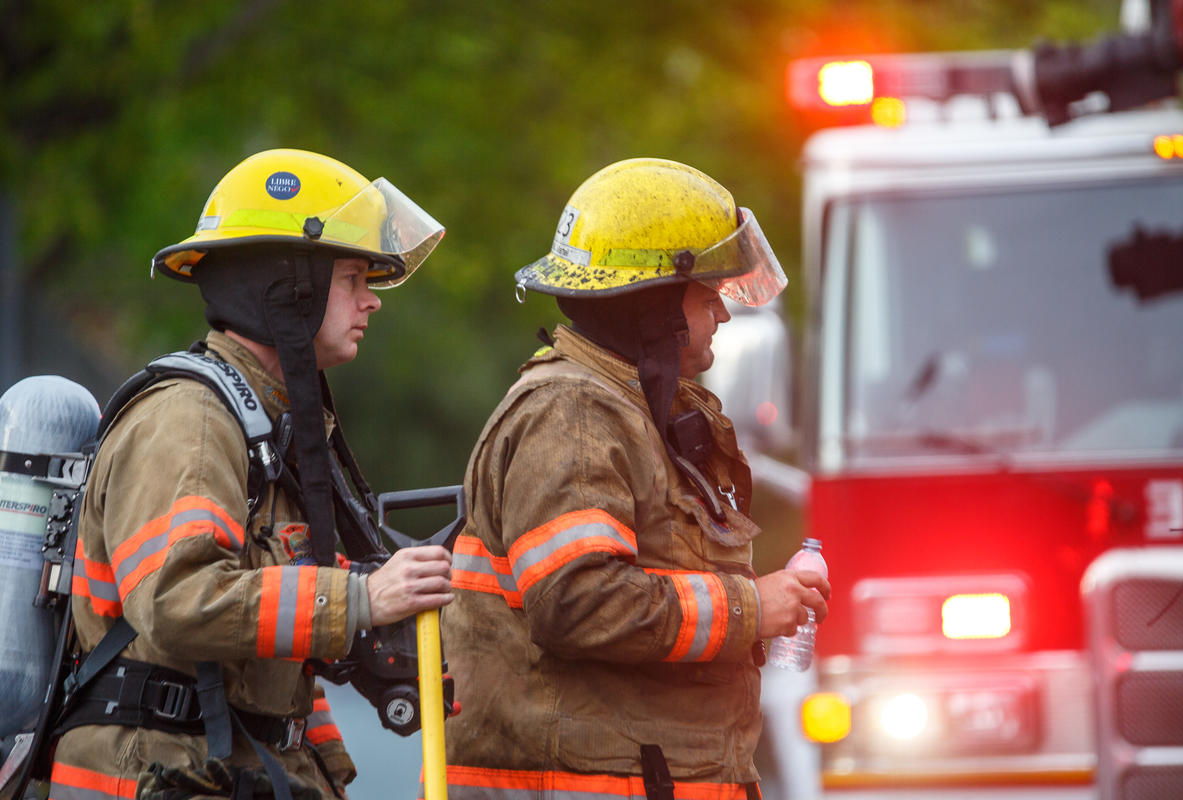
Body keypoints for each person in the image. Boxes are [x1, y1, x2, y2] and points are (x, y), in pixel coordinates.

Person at [47, 148, 454, 800]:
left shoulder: (266, 427)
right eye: (354, 279)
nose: (370, 302)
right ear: (288, 289)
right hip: (151, 775)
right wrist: (359, 601)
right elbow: (178, 601)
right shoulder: (193, 421)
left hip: (221, 770)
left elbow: (262, 674)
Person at [440, 158, 831, 800]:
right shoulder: (572, 414)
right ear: (652, 307)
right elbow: (578, 601)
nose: (724, 318)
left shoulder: (636, 415)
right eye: (708, 298)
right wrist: (751, 608)